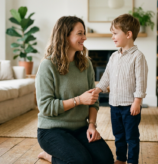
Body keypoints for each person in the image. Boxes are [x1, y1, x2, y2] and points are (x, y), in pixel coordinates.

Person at [36, 16, 114, 164]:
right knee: (82, 161)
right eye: (80, 33)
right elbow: (45, 107)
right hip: (51, 130)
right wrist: (78, 100)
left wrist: (91, 125)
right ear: (65, 36)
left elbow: (93, 101)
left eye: (84, 33)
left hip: (80, 128)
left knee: (106, 160)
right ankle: (50, 156)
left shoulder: (86, 64)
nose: (84, 37)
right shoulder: (47, 66)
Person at [94, 14, 148, 164]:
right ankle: (120, 159)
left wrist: (137, 101)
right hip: (114, 104)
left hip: (130, 106)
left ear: (128, 34)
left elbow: (141, 81)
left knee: (131, 136)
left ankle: (132, 161)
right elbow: (106, 76)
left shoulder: (138, 57)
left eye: (115, 33)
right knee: (118, 135)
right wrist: (98, 89)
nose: (112, 37)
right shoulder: (113, 57)